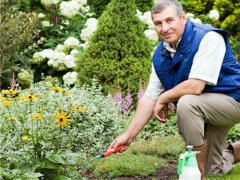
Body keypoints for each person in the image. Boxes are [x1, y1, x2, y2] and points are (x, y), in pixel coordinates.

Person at [108, 0, 240, 179]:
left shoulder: (208, 37)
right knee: (212, 170)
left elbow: (195, 86)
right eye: (158, 23)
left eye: (169, 20)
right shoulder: (160, 54)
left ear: (183, 18)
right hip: (207, 106)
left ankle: (195, 175)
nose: (164, 28)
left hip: (233, 100)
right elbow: (150, 97)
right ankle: (232, 153)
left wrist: (165, 98)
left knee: (186, 103)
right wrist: (128, 136)